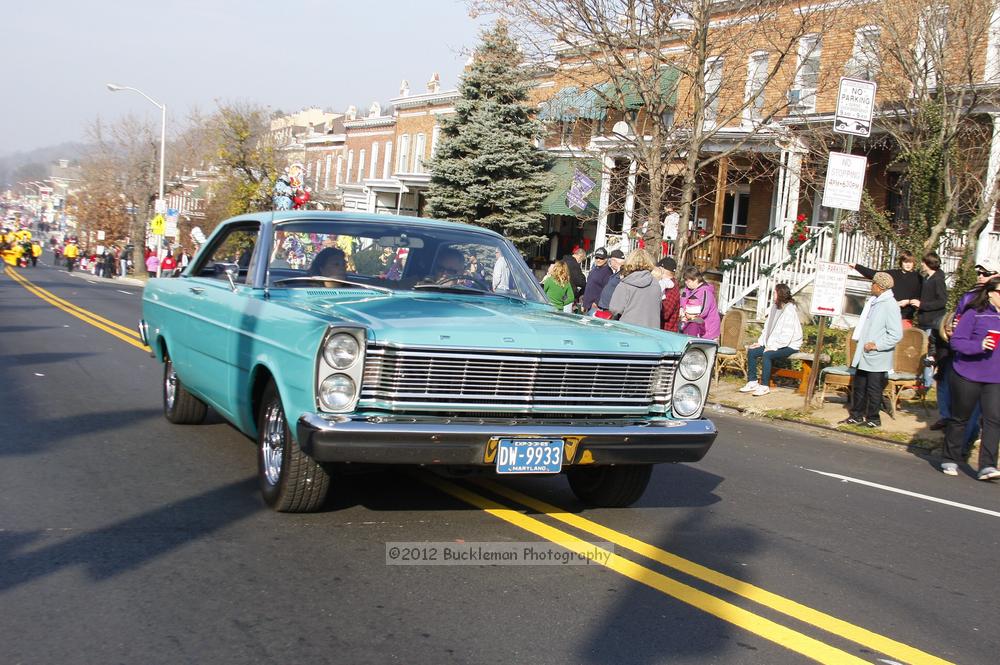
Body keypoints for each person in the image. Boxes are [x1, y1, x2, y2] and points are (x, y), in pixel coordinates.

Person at [939, 276, 1000, 479]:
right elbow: (957, 342)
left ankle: (987, 466)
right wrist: (979, 346)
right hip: (968, 373)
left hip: (995, 378)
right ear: (991, 293)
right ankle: (950, 458)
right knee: (960, 418)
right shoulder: (974, 314)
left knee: (994, 420)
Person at [841, 272, 903, 428]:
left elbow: (896, 334)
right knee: (859, 386)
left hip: (877, 356)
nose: (871, 286)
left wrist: (877, 345)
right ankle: (856, 415)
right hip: (864, 354)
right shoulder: (876, 301)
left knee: (873, 389)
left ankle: (873, 419)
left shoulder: (890, 305)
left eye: (873, 283)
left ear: (880, 287)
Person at [740, 283, 803, 396]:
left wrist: (772, 347)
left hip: (789, 346)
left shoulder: (789, 310)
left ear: (780, 294)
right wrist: (760, 343)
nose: (773, 295)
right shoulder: (774, 307)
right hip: (773, 344)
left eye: (774, 292)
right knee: (752, 351)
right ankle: (752, 382)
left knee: (767, 355)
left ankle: (764, 386)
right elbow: (767, 329)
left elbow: (787, 335)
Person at [852, 251, 922, 325]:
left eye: (910, 262)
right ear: (901, 262)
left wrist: (907, 301)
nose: (908, 264)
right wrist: (856, 266)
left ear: (913, 263)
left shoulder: (918, 278)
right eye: (905, 262)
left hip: (905, 317)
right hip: (888, 313)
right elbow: (875, 274)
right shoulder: (893, 273)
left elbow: (919, 297)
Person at [914, 252, 947, 390]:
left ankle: (926, 384)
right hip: (924, 320)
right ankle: (922, 381)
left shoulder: (938, 279)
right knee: (923, 351)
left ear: (929, 263)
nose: (921, 264)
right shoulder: (927, 277)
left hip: (933, 321)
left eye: (923, 262)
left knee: (929, 353)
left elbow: (942, 301)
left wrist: (922, 305)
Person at [608, 248, 661, 328]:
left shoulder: (625, 283)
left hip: (629, 330)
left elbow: (615, 309)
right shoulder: (656, 284)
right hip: (651, 331)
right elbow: (658, 308)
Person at [679, 267, 721, 340]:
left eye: (688, 281)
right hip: (692, 323)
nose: (686, 283)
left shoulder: (705, 292)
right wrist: (682, 310)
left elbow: (703, 311)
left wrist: (688, 315)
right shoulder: (688, 289)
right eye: (685, 280)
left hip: (707, 328)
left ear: (696, 279)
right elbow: (683, 301)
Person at [594, 249, 626, 319]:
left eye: (610, 260)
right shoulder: (617, 272)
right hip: (605, 308)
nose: (610, 263)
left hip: (610, 309)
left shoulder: (623, 273)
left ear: (614, 261)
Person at [581, 247, 612, 313]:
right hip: (587, 306)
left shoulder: (607, 272)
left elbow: (606, 290)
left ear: (606, 259)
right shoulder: (594, 269)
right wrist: (584, 302)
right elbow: (589, 286)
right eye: (597, 257)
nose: (598, 260)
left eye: (601, 258)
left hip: (596, 307)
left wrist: (596, 302)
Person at [655, 256, 681, 332]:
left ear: (662, 269)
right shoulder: (664, 284)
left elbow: (665, 313)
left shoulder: (671, 288)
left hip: (666, 332)